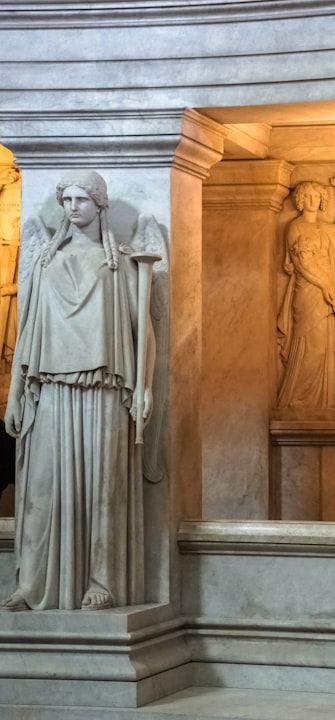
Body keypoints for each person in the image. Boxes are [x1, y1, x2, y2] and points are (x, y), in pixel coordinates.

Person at [1, 170, 155, 612]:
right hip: (49, 388)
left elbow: (140, 330)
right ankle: (33, 583)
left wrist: (143, 386)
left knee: (103, 487)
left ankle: (99, 579)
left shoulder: (119, 263)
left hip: (104, 392)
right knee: (44, 488)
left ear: (99, 205)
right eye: (66, 199)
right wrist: (14, 394)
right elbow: (28, 331)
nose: (73, 207)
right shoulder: (46, 261)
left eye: (82, 200)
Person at [276, 179, 335, 408]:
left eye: (317, 197)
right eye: (308, 196)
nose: (312, 200)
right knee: (312, 343)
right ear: (300, 200)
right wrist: (324, 285)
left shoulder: (322, 226)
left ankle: (319, 400)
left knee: (324, 345)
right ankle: (299, 396)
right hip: (309, 291)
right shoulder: (295, 227)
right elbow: (302, 265)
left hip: (327, 288)